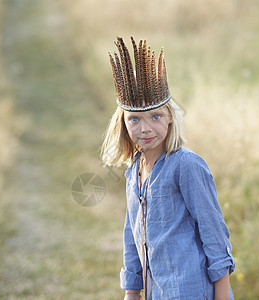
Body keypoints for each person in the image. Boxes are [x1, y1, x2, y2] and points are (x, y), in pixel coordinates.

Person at [101, 37, 235, 300]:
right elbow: (132, 234)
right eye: (135, 119)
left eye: (156, 117)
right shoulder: (134, 170)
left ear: (171, 117)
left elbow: (214, 232)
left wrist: (222, 295)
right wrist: (131, 290)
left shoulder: (186, 165)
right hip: (156, 292)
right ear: (124, 123)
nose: (146, 128)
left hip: (190, 291)